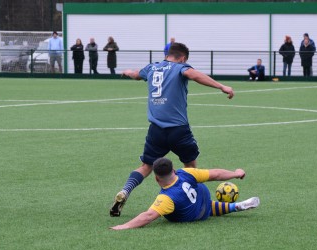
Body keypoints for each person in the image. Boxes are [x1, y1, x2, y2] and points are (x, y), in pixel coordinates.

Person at [110, 42, 234, 217]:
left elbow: (136, 74)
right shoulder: (180, 68)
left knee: (146, 166)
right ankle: (193, 200)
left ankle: (125, 190)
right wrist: (222, 86)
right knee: (191, 167)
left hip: (156, 130)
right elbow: (194, 75)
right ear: (182, 58)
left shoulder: (152, 68)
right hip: (179, 130)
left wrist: (127, 71)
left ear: (168, 54)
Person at [110, 157, 260, 230]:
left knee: (182, 207)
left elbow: (148, 216)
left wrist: (123, 226)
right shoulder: (186, 172)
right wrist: (235, 173)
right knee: (204, 202)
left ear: (156, 178)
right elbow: (216, 174)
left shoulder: (166, 197)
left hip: (195, 216)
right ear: (173, 170)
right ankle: (236, 206)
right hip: (203, 201)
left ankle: (235, 206)